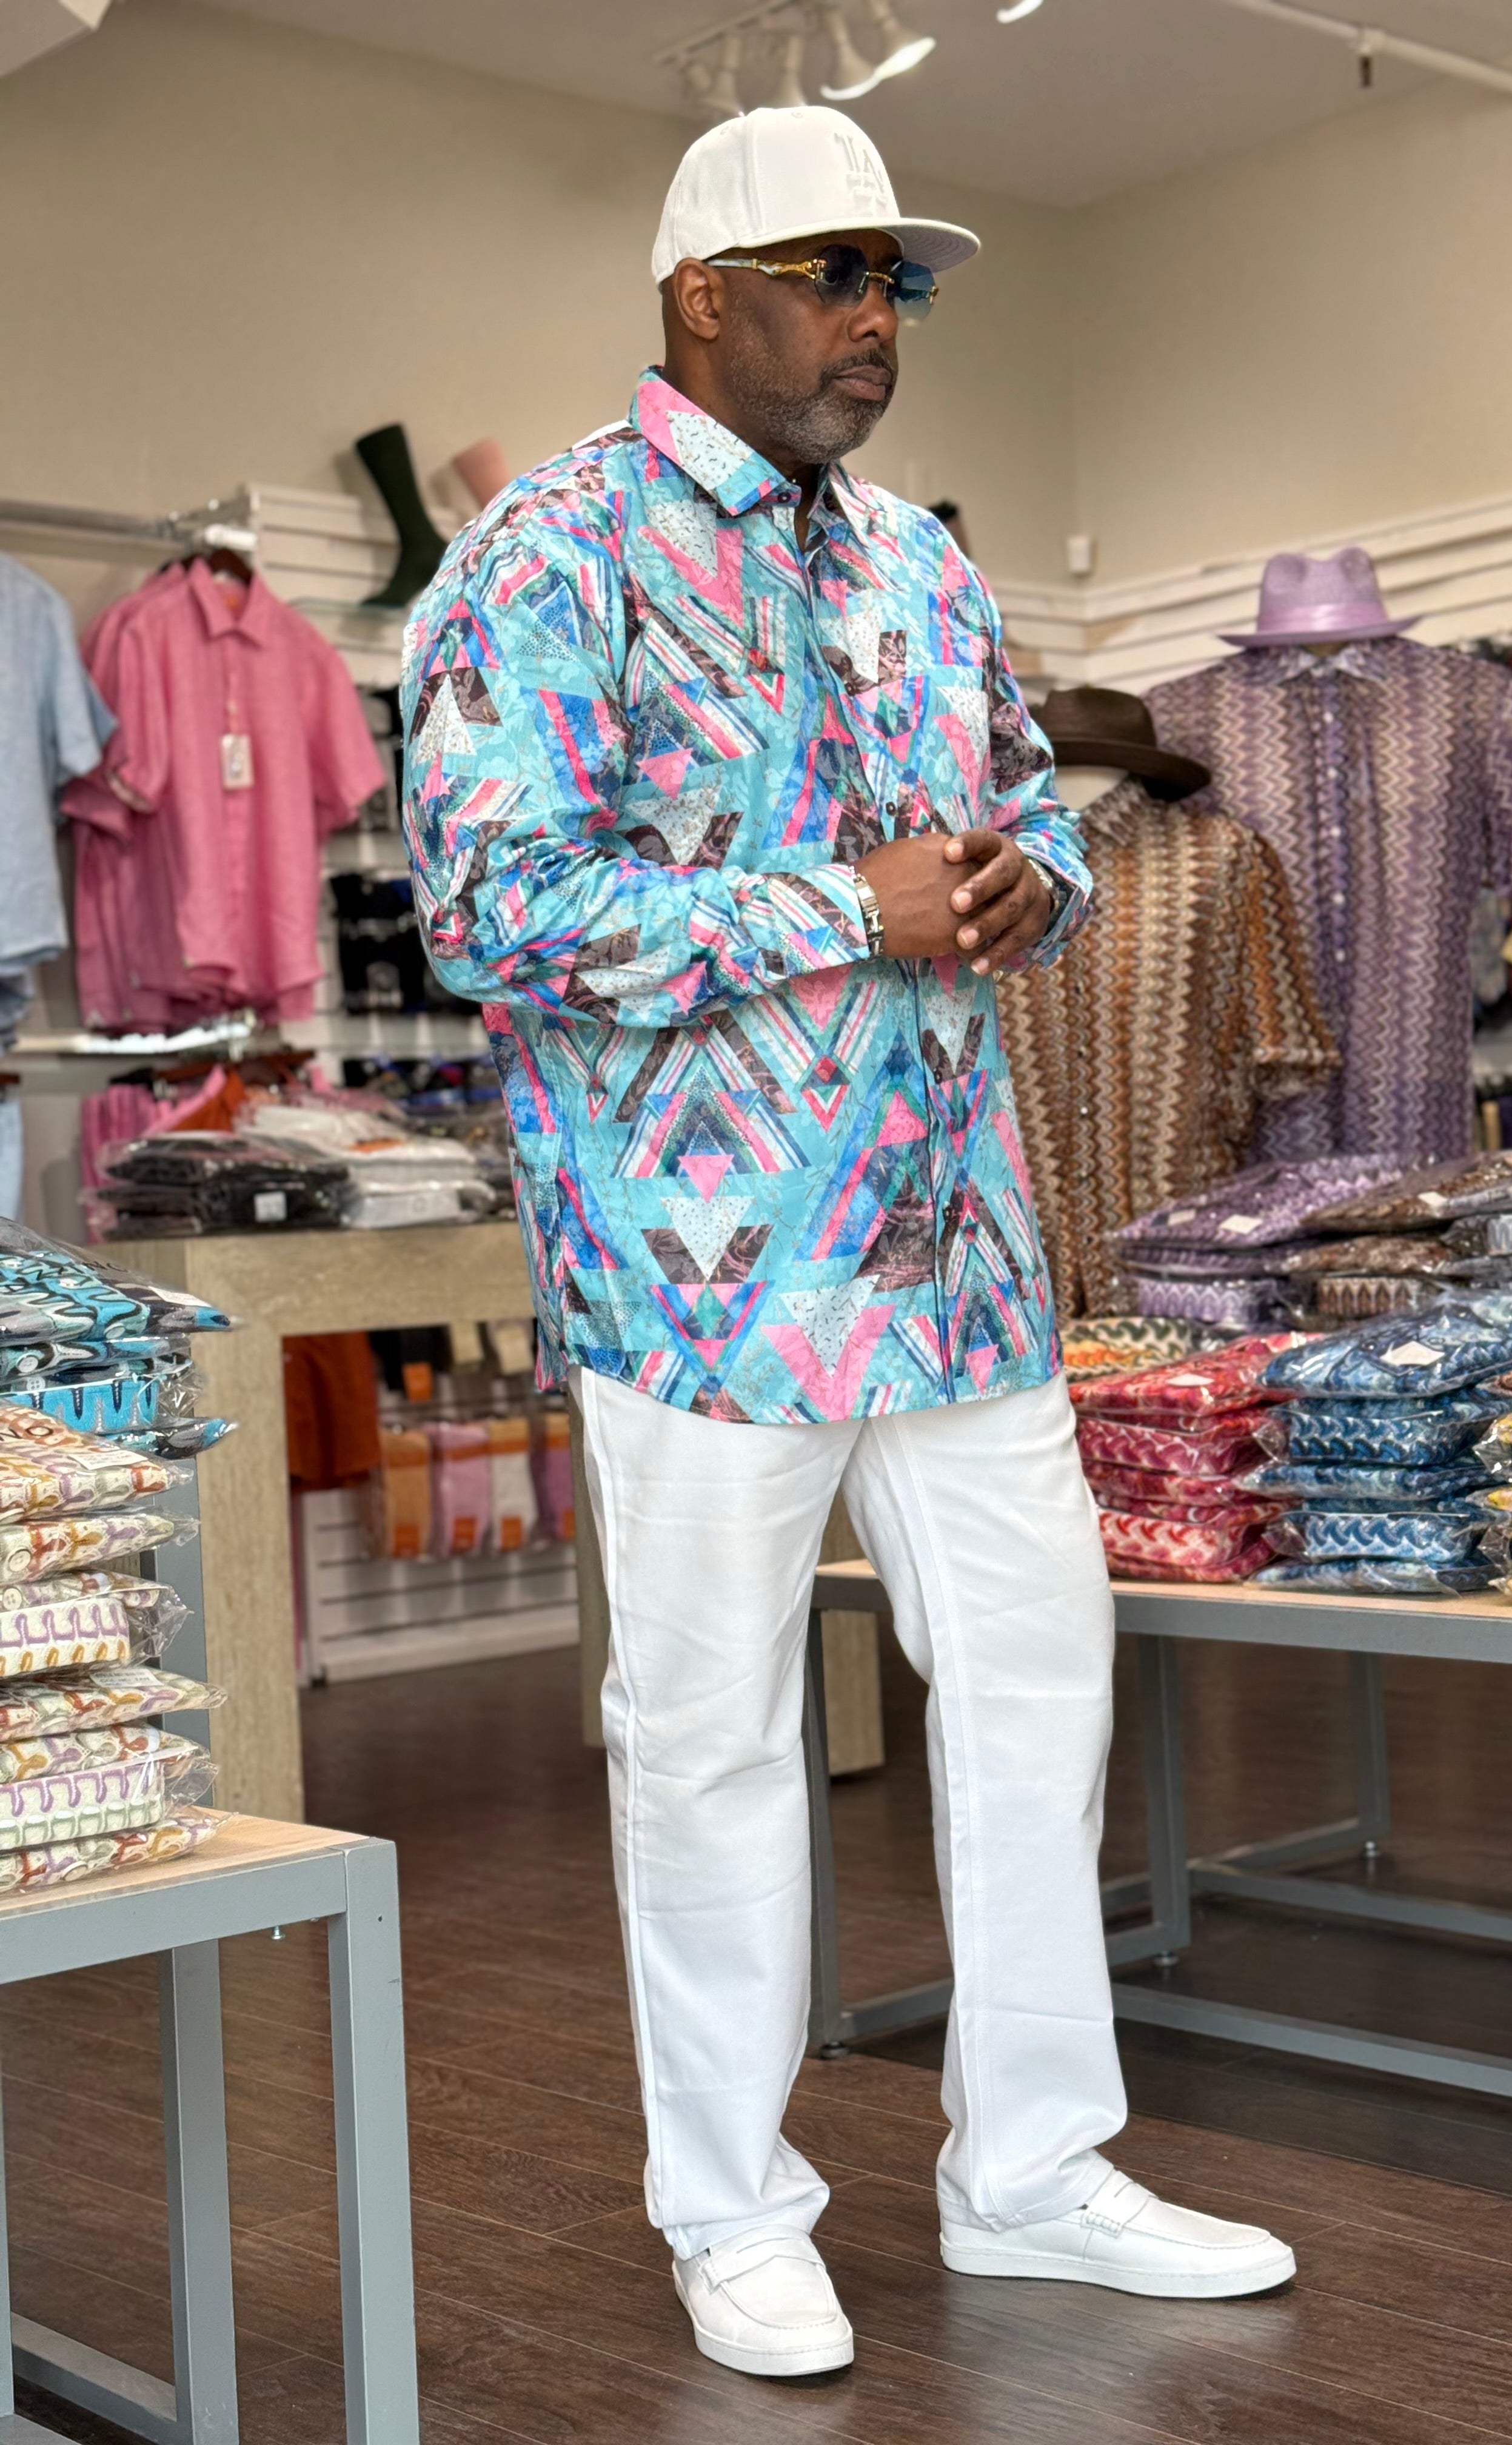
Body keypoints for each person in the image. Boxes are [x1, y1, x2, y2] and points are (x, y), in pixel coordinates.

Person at [401, 102, 1296, 2384]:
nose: (878, 319)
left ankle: (1033, 2171)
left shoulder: (917, 560)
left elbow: (1027, 827)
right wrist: (839, 904)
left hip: (957, 1248)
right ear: (702, 295)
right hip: (703, 1276)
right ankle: (730, 2206)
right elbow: (493, 912)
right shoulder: (544, 556)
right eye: (835, 276)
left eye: (899, 282)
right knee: (711, 1737)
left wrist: (1022, 887)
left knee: (1039, 1686)